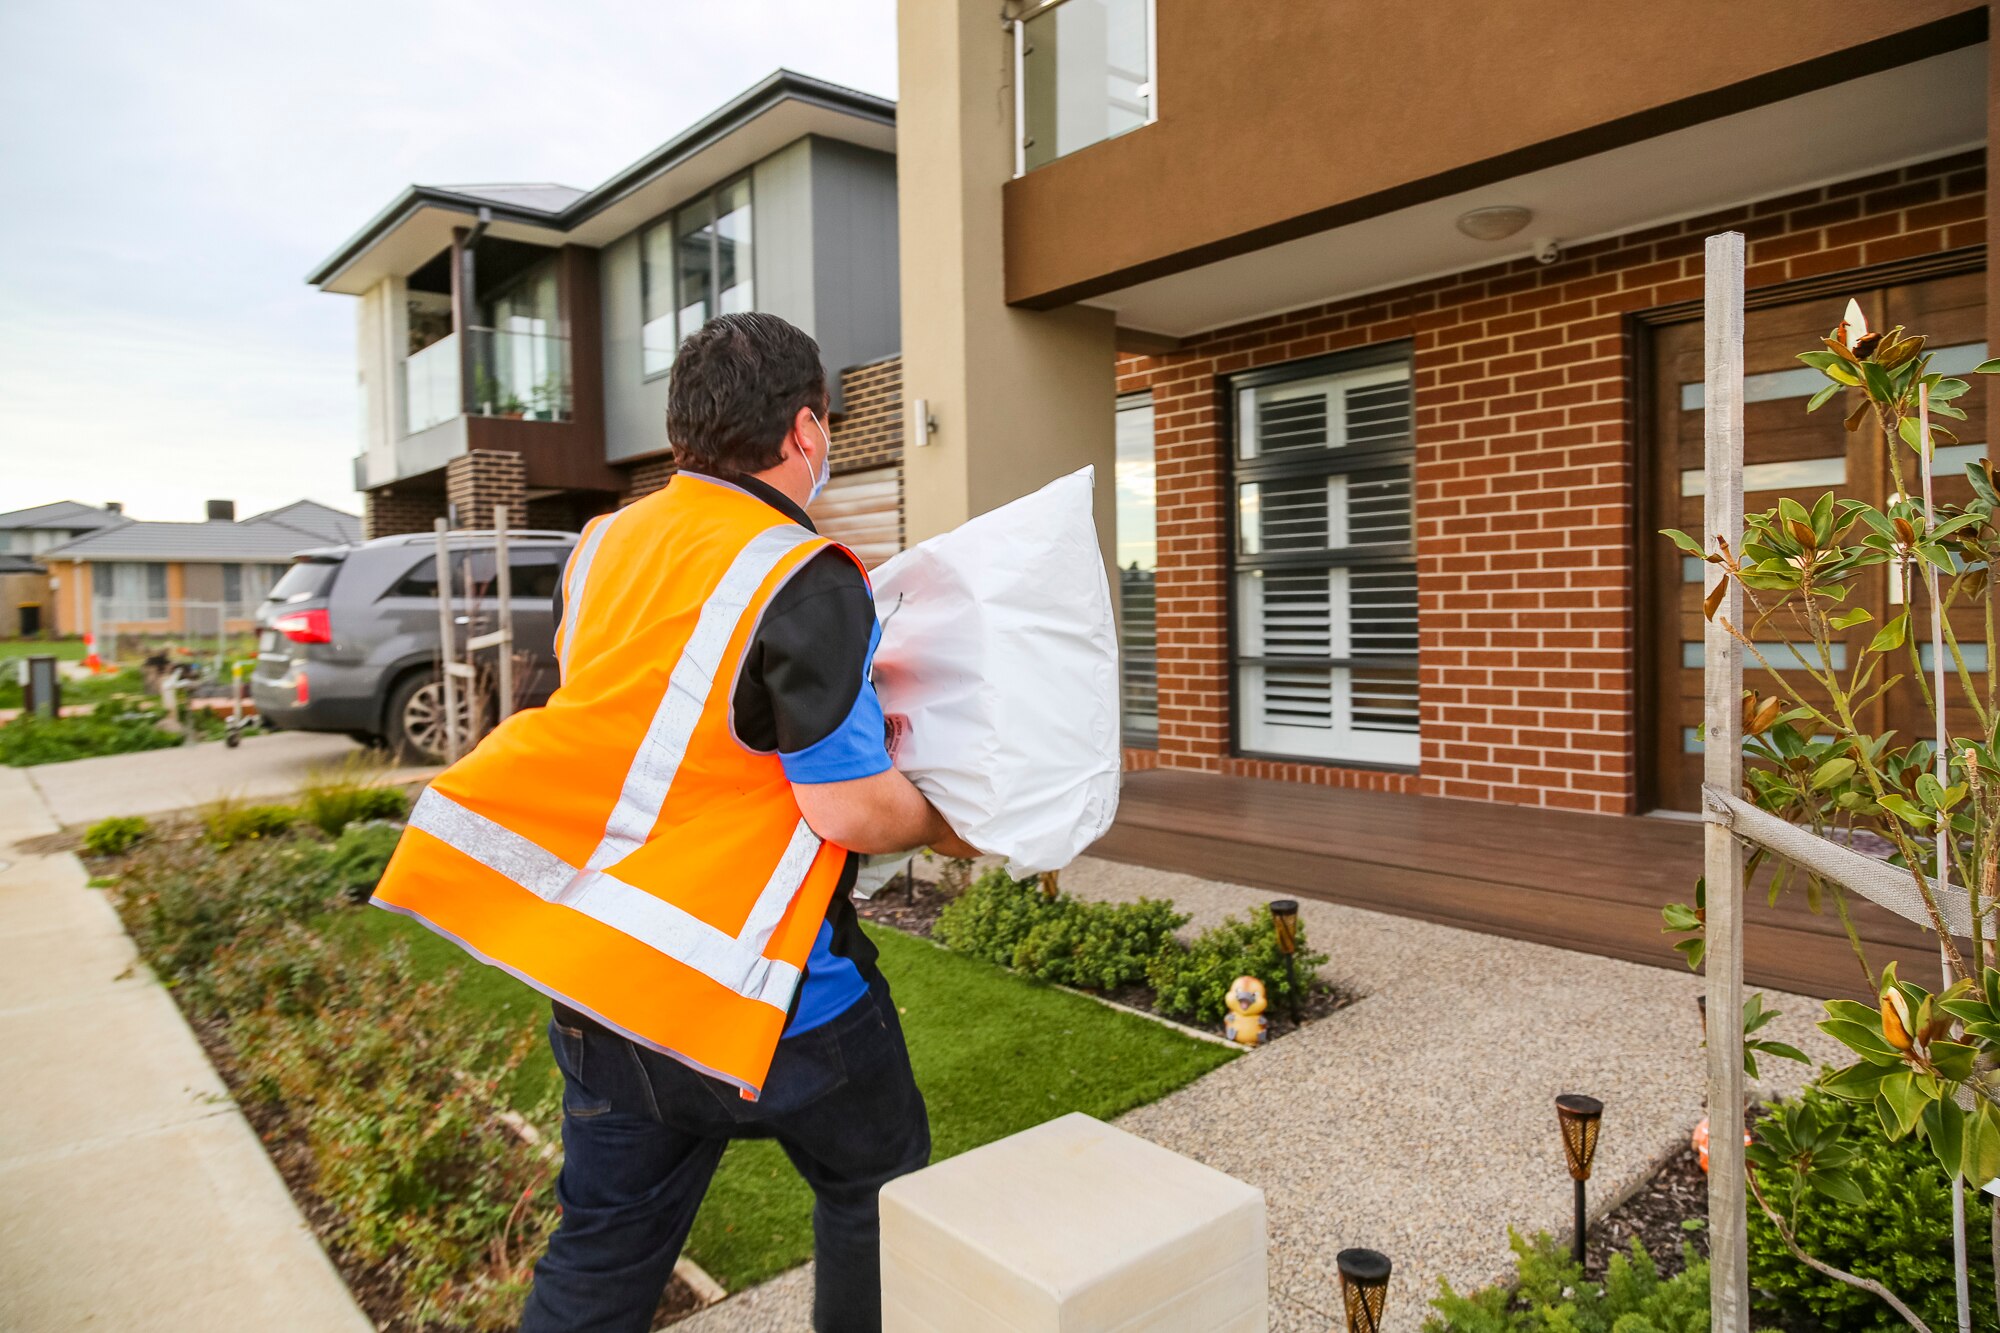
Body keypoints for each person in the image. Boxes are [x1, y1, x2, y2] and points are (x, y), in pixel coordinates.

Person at [368, 312, 975, 1332]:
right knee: (878, 1192)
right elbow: (848, 807)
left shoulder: (601, 546)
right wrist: (950, 822)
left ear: (682, 431)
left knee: (600, 1255)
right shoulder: (802, 572)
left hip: (604, 983)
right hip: (770, 995)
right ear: (805, 431)